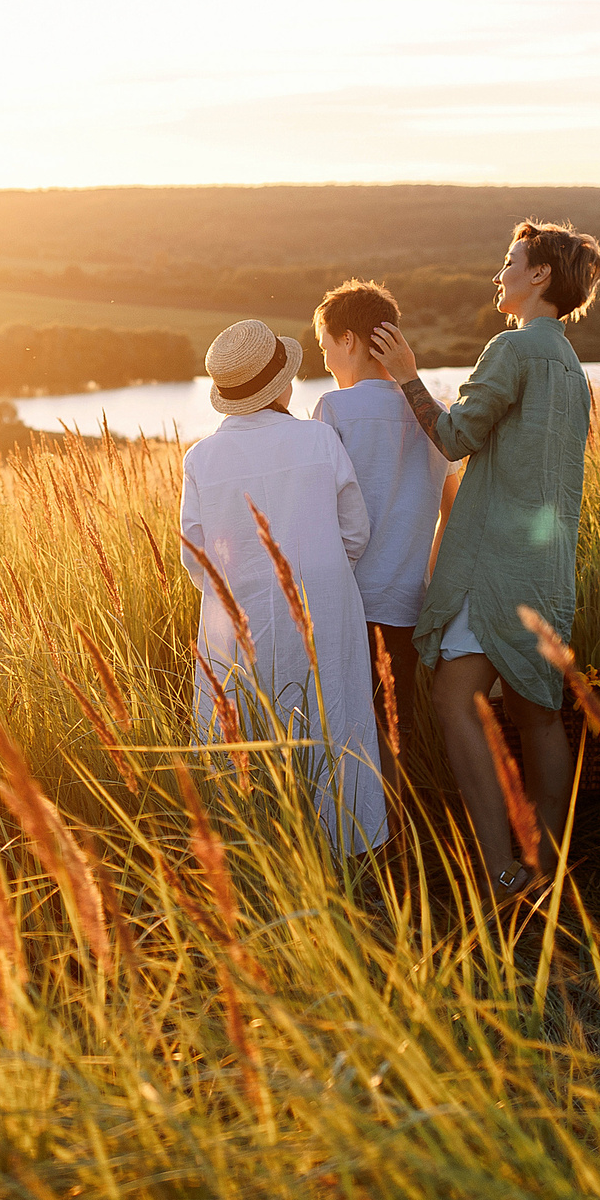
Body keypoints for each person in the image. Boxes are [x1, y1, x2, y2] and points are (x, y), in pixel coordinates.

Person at [367, 220, 600, 906]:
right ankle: (546, 869)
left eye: (510, 262)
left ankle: (504, 875)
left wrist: (408, 375)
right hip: (548, 567)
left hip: (494, 565)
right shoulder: (570, 366)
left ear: (540, 277)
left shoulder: (514, 347)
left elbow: (453, 436)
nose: (498, 273)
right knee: (538, 710)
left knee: (451, 696)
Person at [179, 318, 387, 856]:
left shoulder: (200, 458)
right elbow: (354, 530)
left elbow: (193, 554)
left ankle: (264, 851)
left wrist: (238, 585)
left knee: (248, 725)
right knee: (331, 713)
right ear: (283, 387)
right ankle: (346, 846)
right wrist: (323, 570)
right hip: (323, 604)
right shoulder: (318, 438)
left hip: (237, 615)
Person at [309, 279, 457, 799]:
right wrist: (429, 569)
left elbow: (321, 508)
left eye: (326, 346)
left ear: (349, 340)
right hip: (406, 599)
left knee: (349, 725)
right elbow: (453, 506)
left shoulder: (334, 409)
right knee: (397, 724)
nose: (325, 361)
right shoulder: (432, 412)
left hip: (350, 598)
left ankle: (362, 840)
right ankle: (401, 834)